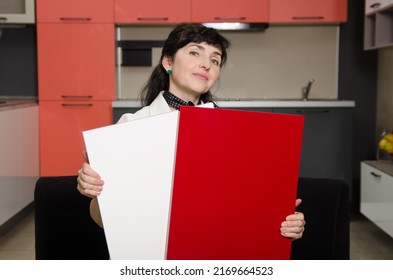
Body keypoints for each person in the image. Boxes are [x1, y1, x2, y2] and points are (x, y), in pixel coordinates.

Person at [77, 23, 305, 240]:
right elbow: (102, 221)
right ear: (168, 62)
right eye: (195, 53)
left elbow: (246, 207)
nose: (206, 64)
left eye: (215, 60)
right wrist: (97, 192)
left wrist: (283, 221)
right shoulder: (130, 126)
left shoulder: (236, 132)